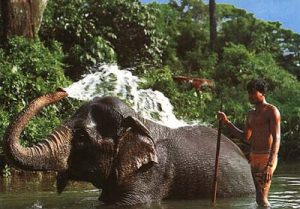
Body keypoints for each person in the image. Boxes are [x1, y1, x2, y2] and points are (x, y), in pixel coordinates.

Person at [217, 79, 281, 207]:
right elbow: (245, 137)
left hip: (267, 157)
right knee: (259, 198)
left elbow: (277, 138)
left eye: (253, 93)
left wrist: (270, 164)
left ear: (262, 93)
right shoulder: (250, 114)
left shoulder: (271, 111)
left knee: (262, 198)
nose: (250, 96)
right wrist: (226, 122)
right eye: (249, 93)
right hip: (254, 157)